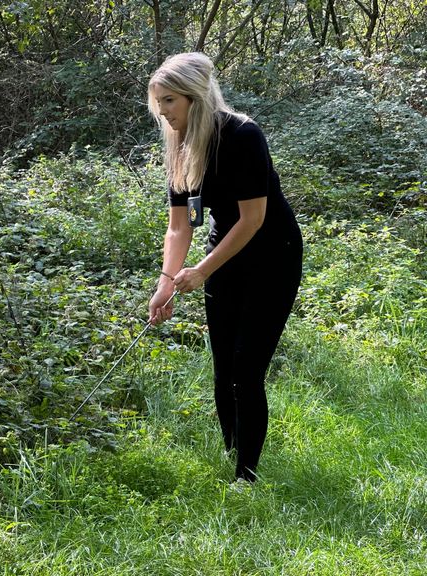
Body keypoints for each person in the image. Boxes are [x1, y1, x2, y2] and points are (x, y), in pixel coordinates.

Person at [146, 52, 303, 482]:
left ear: (195, 97)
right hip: (225, 257)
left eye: (170, 101)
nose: (163, 112)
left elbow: (253, 219)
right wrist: (165, 284)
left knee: (246, 368)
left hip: (272, 256)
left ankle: (246, 476)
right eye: (158, 103)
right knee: (223, 370)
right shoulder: (179, 146)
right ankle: (232, 452)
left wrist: (201, 271)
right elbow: (180, 228)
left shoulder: (243, 135)